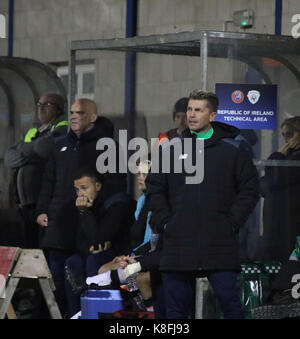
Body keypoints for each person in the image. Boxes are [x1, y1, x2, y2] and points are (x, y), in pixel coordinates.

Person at [146, 89, 260, 319]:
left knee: (231, 306)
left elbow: (250, 189)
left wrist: (231, 222)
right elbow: (154, 188)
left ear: (213, 115)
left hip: (219, 242)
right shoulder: (170, 150)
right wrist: (167, 222)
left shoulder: (232, 151)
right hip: (177, 243)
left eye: (199, 110)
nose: (192, 114)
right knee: (176, 312)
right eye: (189, 109)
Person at [35, 98, 126, 316]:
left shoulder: (108, 147)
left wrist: (103, 224)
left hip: (89, 227)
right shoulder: (60, 145)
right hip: (59, 226)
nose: (74, 116)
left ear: (93, 117)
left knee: (80, 278)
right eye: (72, 112)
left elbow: (116, 186)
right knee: (56, 280)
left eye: (80, 113)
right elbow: (48, 181)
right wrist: (41, 210)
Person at [62, 168, 136, 317]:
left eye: (84, 188)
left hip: (119, 253)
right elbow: (79, 241)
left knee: (94, 261)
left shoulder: (117, 203)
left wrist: (85, 213)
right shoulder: (83, 206)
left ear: (98, 186)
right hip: (93, 253)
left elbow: (101, 237)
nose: (80, 194)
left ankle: (97, 312)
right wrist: (90, 248)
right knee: (72, 262)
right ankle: (76, 313)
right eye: (77, 190)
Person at [4, 93, 68, 248]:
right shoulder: (34, 131)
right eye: (39, 104)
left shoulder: (62, 128)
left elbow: (43, 148)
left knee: (41, 247)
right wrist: (31, 153)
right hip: (25, 203)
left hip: (43, 202)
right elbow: (9, 158)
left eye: (47, 105)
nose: (41, 108)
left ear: (59, 109)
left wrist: (24, 152)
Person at [259, 117, 300, 262]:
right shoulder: (287, 157)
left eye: (290, 134)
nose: (286, 139)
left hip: (289, 224)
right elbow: (263, 185)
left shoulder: (293, 159)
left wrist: (278, 155)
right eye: (284, 135)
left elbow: (276, 180)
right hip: (277, 224)